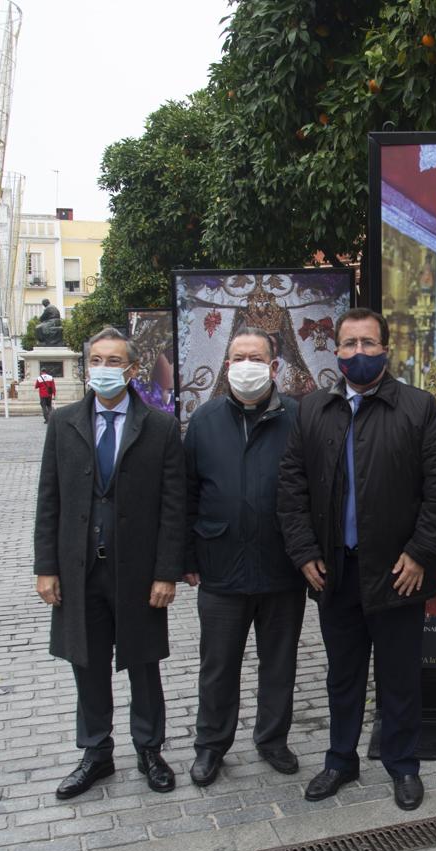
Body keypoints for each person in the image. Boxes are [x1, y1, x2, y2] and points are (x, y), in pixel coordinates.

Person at [278, 308, 436, 812]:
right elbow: (291, 487)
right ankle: (340, 759)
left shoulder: (419, 408)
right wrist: (304, 553)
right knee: (343, 674)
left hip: (400, 572)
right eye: (350, 344)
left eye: (369, 343)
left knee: (400, 676)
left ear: (386, 350)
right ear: (335, 351)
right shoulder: (312, 410)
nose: (359, 353)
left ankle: (403, 766)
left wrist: (421, 553)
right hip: (335, 572)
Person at [33, 326, 185, 800]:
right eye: (96, 360)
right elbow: (49, 498)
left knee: (143, 661)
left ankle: (149, 749)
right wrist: (46, 567)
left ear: (133, 369)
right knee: (88, 663)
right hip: (80, 571)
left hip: (138, 571)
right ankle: (96, 752)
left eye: (114, 361)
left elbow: (173, 506)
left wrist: (166, 572)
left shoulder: (159, 426)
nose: (103, 369)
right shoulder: (64, 422)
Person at [183, 326, 305, 787]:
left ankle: (273, 739)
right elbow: (187, 493)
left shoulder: (297, 417)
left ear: (274, 367)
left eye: (257, 357)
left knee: (280, 662)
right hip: (220, 567)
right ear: (227, 365)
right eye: (239, 357)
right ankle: (210, 746)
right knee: (218, 667)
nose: (247, 365)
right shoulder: (205, 420)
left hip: (281, 567)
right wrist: (185, 557)